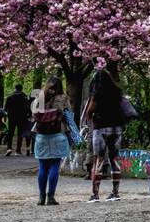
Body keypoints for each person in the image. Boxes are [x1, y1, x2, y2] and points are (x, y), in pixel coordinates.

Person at [82, 70, 126, 202]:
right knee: (114, 159)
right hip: (116, 128)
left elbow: (90, 110)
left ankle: (95, 194)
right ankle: (115, 192)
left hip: (100, 128)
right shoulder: (117, 92)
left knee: (99, 159)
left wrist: (90, 118)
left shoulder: (97, 93)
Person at [32, 77, 72, 205]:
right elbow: (69, 116)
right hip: (58, 134)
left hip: (41, 136)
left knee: (42, 167)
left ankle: (41, 197)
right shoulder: (63, 98)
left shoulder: (40, 98)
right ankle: (51, 197)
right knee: (54, 165)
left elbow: (34, 115)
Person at [3, 84, 31, 157]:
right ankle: (18, 150)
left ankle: (9, 148)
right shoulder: (25, 97)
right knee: (20, 134)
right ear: (21, 89)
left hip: (12, 117)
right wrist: (29, 115)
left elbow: (5, 108)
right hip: (22, 118)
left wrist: (5, 116)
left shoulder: (10, 97)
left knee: (10, 133)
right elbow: (28, 107)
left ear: (15, 89)